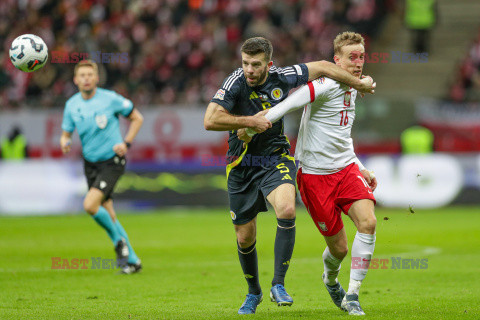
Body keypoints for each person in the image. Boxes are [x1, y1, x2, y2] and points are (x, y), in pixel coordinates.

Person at [204, 36, 375, 315]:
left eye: (256, 64)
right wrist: (250, 121)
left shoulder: (283, 76)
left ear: (268, 64)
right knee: (244, 238)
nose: (249, 69)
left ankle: (278, 284)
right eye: (246, 63)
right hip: (241, 165)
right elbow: (210, 120)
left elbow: (321, 65)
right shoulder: (235, 82)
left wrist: (358, 82)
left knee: (286, 209)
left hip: (275, 157)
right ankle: (253, 292)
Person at [60, 60, 144, 274]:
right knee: (107, 211)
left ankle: (119, 243)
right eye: (83, 75)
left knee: (89, 205)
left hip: (112, 161)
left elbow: (137, 118)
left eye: (90, 75)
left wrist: (126, 143)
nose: (86, 78)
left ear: (97, 78)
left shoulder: (110, 99)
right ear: (75, 80)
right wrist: (65, 140)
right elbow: (66, 132)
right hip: (90, 163)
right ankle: (132, 261)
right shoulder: (72, 105)